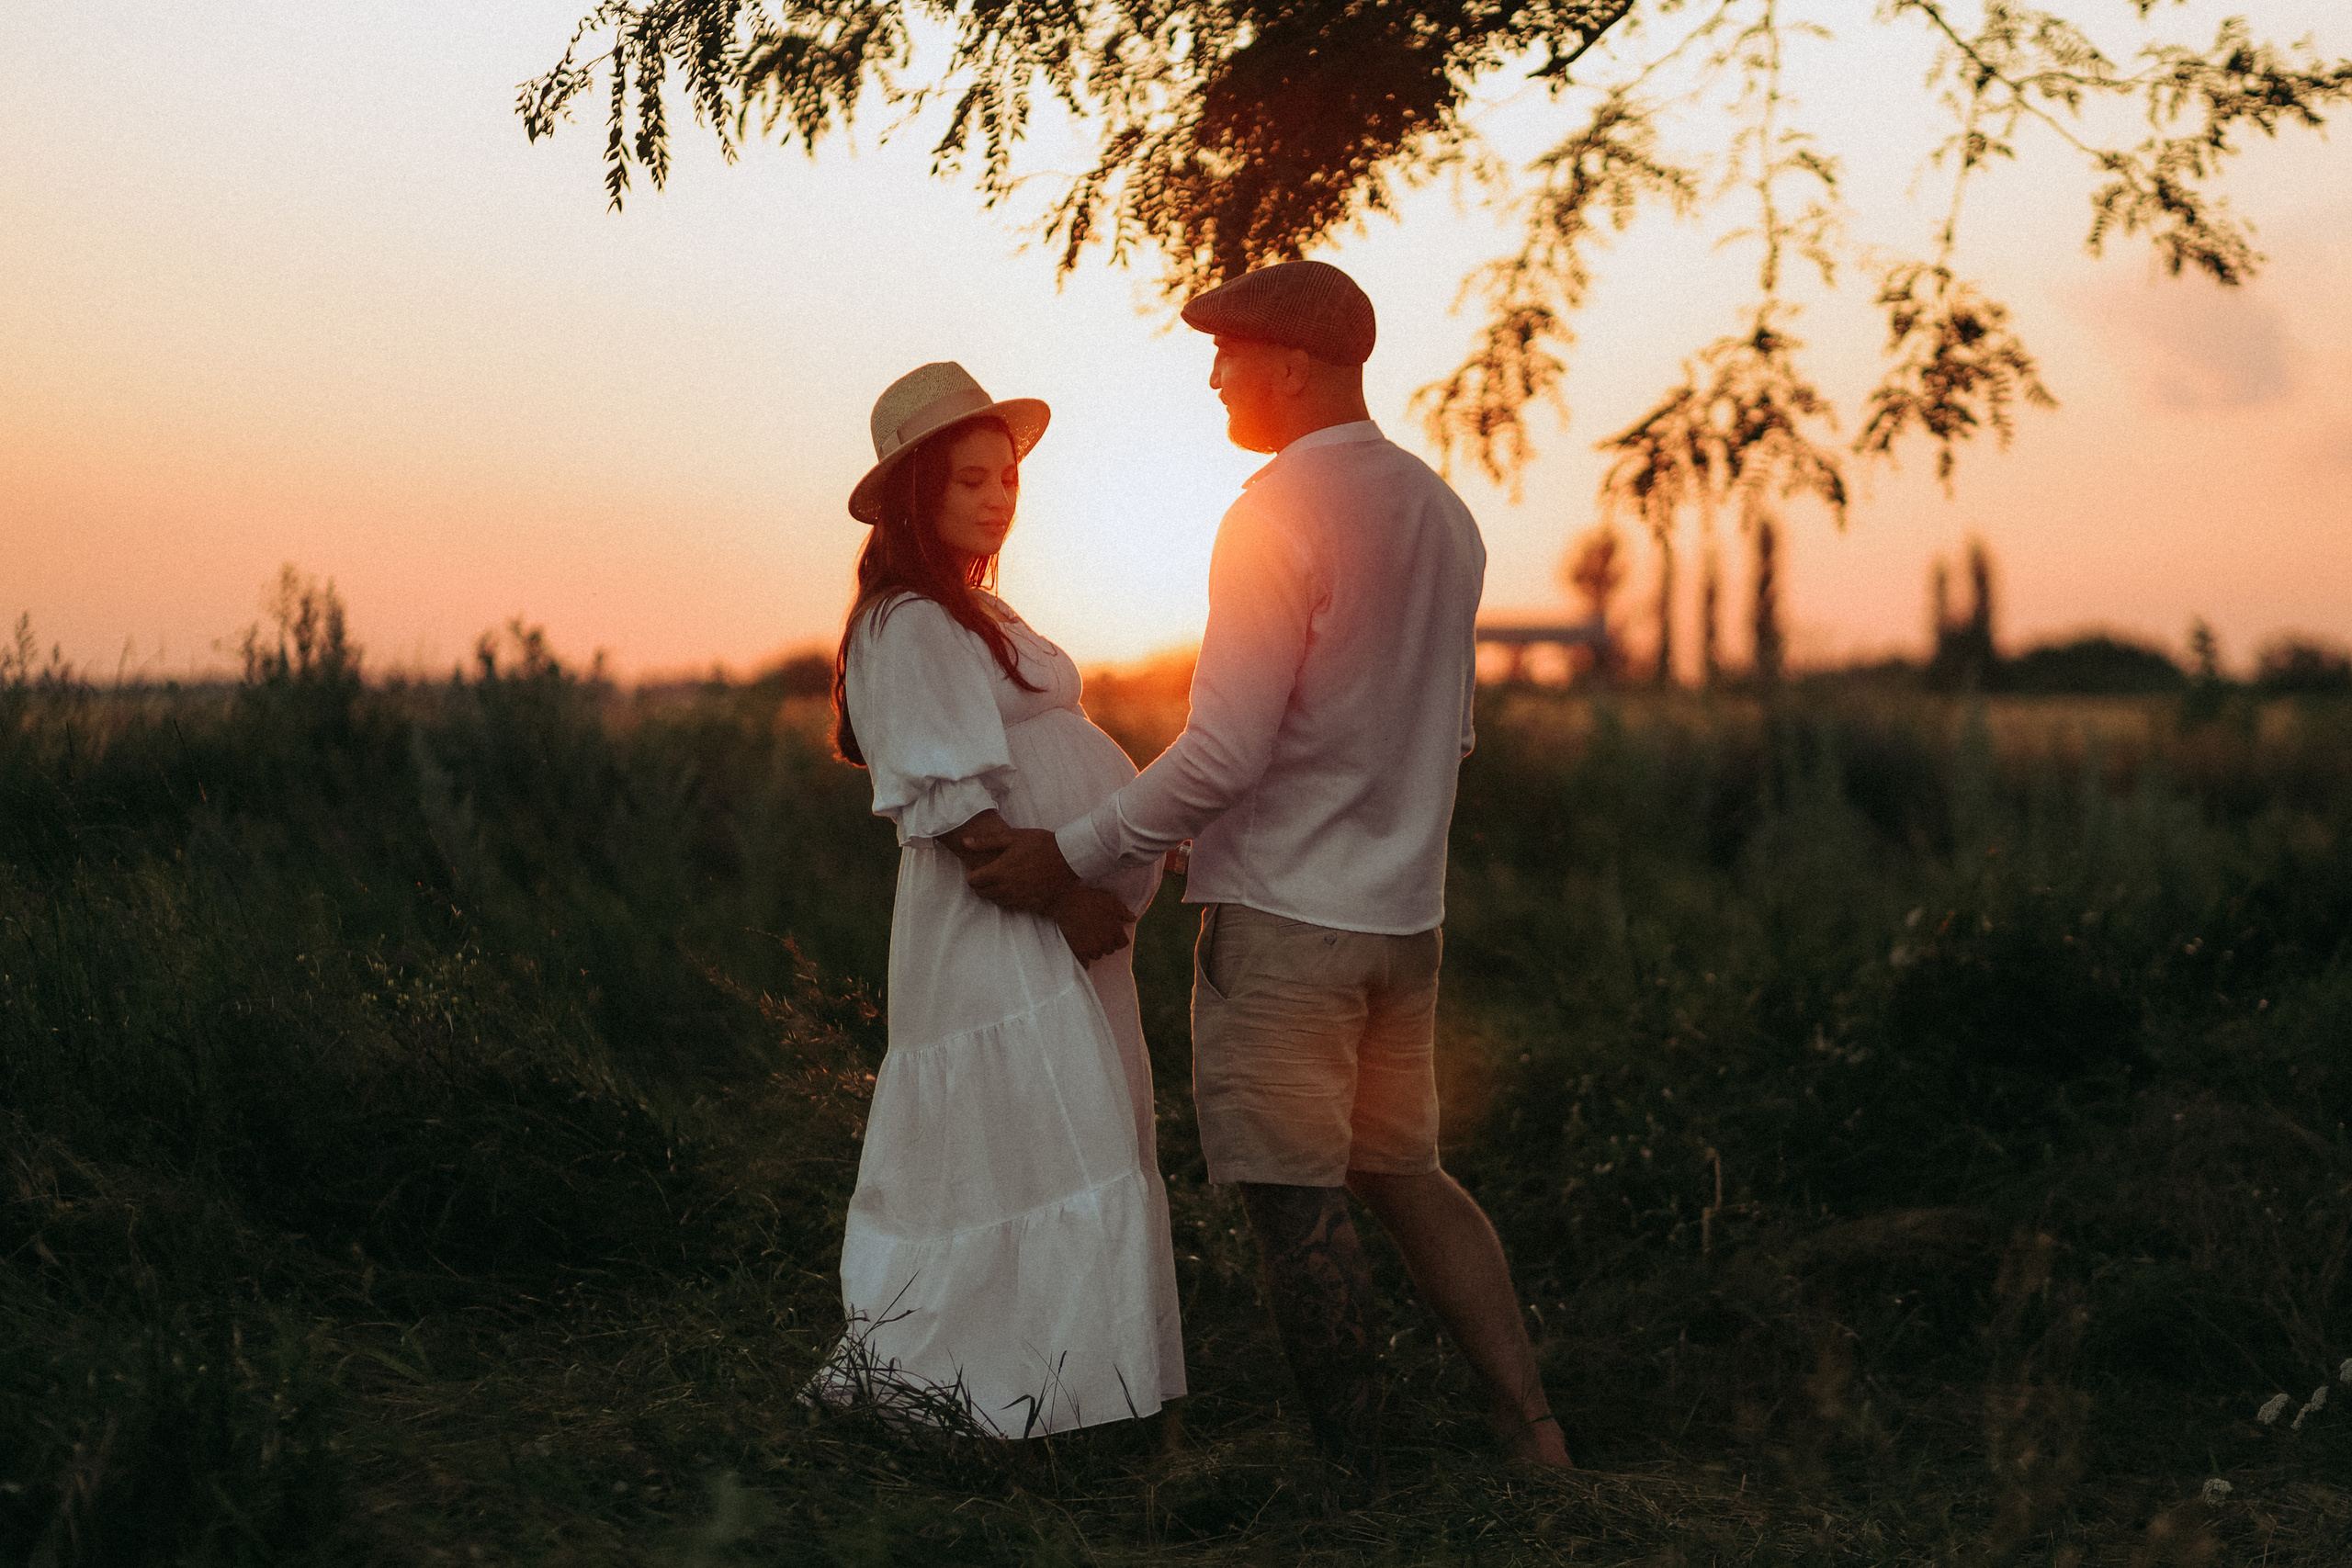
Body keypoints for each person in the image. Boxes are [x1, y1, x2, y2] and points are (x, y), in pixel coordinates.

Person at [964, 261, 1572, 1482]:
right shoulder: (1445, 513)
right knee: (1407, 1171)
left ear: (1292, 364)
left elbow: (1229, 747)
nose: (1213, 373)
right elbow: (1441, 735)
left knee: (1294, 1205)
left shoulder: (1272, 514)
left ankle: (1365, 1480)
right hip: (1406, 926)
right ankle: (1533, 1430)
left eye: (1229, 353)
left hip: (1286, 930)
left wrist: (1075, 848)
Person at [808, 360, 1185, 1437]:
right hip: (1000, 926)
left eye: (1007, 479)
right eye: (970, 479)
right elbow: (952, 798)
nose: (996, 498)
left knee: (1077, 1138)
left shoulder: (973, 607)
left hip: (1048, 926)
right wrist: (1064, 898)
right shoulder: (907, 621)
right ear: (917, 492)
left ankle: (1078, 1389)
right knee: (1031, 1144)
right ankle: (992, 1392)